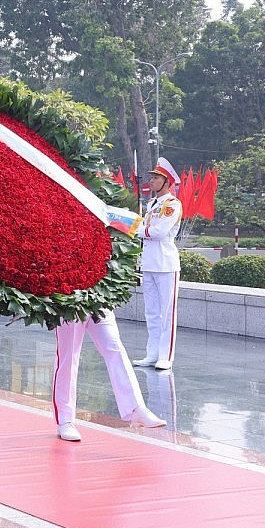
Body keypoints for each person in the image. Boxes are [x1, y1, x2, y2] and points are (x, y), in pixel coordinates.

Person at [52, 310, 166, 441]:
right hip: (70, 301)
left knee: (115, 347)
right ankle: (65, 420)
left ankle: (136, 408)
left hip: (98, 298)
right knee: (68, 357)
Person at [134, 157, 182, 371]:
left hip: (165, 263)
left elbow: (159, 232)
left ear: (166, 182)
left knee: (167, 312)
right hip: (149, 262)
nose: (151, 181)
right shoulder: (152, 204)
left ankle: (166, 356)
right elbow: (148, 230)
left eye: (156, 178)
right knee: (151, 312)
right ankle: (152, 353)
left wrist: (138, 230)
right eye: (152, 177)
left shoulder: (172, 204)